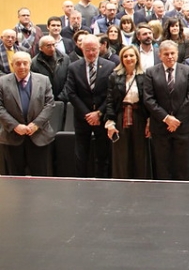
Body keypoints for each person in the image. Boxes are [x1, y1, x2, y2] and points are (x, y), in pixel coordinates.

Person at [142, 40, 189, 180]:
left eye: (172, 53)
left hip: (182, 126)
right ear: (160, 55)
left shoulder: (188, 71)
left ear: (177, 54)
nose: (170, 56)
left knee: (182, 166)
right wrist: (167, 118)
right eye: (166, 54)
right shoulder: (151, 72)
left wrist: (176, 120)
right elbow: (148, 99)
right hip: (160, 127)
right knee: (162, 166)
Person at [64, 34, 116, 178]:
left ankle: (102, 182)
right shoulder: (74, 67)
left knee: (103, 155)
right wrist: (88, 114)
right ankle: (81, 182)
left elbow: (111, 93)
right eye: (88, 50)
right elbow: (71, 93)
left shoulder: (110, 66)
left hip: (102, 117)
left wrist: (99, 113)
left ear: (99, 48)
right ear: (82, 48)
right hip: (83, 118)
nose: (91, 53)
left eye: (94, 49)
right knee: (81, 155)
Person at [0, 52, 55, 176]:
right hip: (12, 137)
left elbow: (50, 104)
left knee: (40, 177)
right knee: (14, 179)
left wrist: (36, 124)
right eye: (18, 63)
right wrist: (15, 126)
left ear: (30, 64)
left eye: (25, 63)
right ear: (12, 65)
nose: (22, 67)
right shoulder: (2, 82)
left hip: (39, 136)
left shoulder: (43, 80)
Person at [104, 45, 149, 179]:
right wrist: (110, 122)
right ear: (121, 59)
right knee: (120, 154)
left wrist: (149, 121)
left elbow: (148, 101)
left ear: (137, 57)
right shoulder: (114, 76)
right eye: (125, 56)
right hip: (120, 116)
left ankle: (141, 185)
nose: (129, 58)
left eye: (131, 55)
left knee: (140, 153)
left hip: (139, 117)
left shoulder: (144, 76)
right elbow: (110, 101)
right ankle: (121, 183)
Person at [31, 35, 70, 101]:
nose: (52, 48)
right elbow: (35, 85)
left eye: (54, 45)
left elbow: (69, 79)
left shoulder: (65, 59)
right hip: (44, 100)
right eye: (48, 46)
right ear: (40, 48)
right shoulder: (34, 63)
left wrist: (62, 97)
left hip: (63, 99)